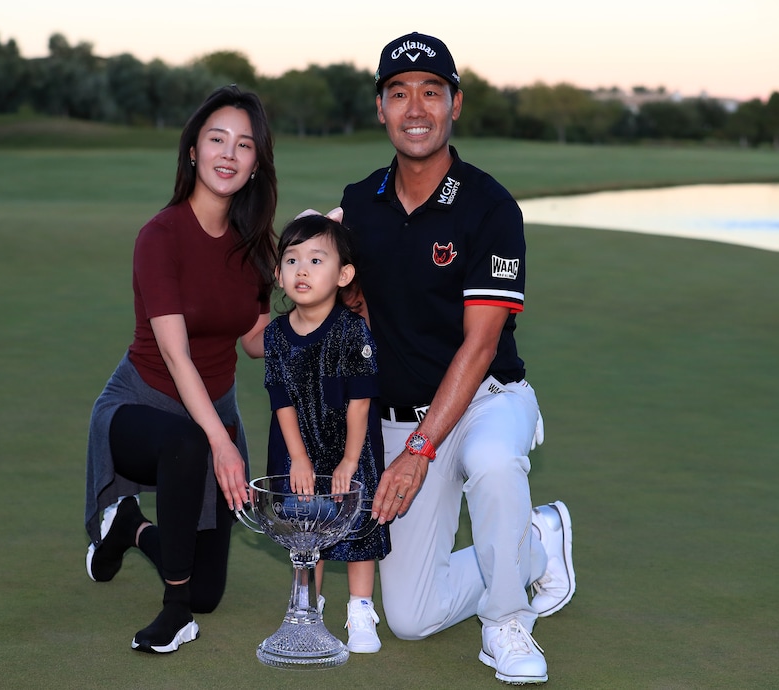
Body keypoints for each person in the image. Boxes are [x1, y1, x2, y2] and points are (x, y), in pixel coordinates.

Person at [336, 32, 576, 684]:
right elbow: (309, 267)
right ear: (381, 108)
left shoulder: (489, 206)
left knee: (494, 462)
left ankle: (506, 623)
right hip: (396, 415)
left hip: (484, 400)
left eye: (431, 92)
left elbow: (482, 344)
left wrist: (418, 454)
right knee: (412, 616)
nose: (416, 108)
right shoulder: (360, 202)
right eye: (399, 93)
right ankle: (532, 542)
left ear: (455, 105)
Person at [83, 85, 277, 654]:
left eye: (244, 145)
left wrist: (320, 300)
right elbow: (174, 353)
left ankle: (128, 529)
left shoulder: (252, 247)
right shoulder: (160, 236)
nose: (228, 153)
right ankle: (173, 616)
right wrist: (223, 442)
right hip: (137, 409)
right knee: (192, 444)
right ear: (193, 149)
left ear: (255, 162)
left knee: (209, 591)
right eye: (217, 139)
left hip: (210, 413)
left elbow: (255, 342)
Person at [263, 212, 392, 654]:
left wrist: (351, 461)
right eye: (292, 260)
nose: (303, 270)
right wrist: (298, 458)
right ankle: (307, 607)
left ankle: (360, 609)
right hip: (300, 445)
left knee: (356, 528)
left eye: (317, 260)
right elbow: (280, 399)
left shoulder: (352, 330)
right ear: (278, 275)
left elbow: (360, 402)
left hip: (349, 447)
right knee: (306, 526)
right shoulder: (276, 335)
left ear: (344, 274)